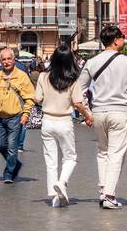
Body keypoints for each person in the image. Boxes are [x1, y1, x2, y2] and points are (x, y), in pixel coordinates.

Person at [79, 26, 127, 209]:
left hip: (99, 112)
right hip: (120, 111)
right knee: (116, 154)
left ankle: (102, 190)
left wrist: (87, 111)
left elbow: (79, 89)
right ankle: (109, 195)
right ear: (116, 40)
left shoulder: (91, 62)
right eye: (122, 38)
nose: (123, 41)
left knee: (103, 152)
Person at [35, 47, 93, 205]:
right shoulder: (73, 80)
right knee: (70, 157)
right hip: (64, 121)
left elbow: (38, 98)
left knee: (50, 160)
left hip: (47, 120)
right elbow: (78, 104)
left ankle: (54, 197)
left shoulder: (43, 77)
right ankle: (62, 183)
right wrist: (88, 117)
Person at [0, 47, 36, 184]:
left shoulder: (22, 76)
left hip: (15, 117)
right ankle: (15, 164)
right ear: (0, 61)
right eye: (4, 59)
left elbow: (30, 97)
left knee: (12, 147)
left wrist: (26, 113)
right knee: (0, 145)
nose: (6, 62)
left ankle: (9, 173)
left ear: (14, 60)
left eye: (9, 59)